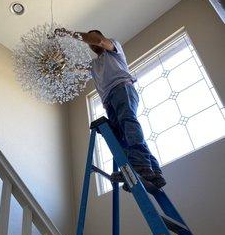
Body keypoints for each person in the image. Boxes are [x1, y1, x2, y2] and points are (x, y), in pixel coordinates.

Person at [54, 28, 166, 191]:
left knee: (129, 123)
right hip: (108, 101)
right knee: (124, 135)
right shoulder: (94, 65)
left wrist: (68, 33)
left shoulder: (114, 47)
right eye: (90, 44)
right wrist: (58, 59)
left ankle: (140, 166)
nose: (92, 45)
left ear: (101, 37)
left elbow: (98, 41)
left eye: (93, 39)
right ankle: (153, 172)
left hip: (122, 89)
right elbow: (70, 67)